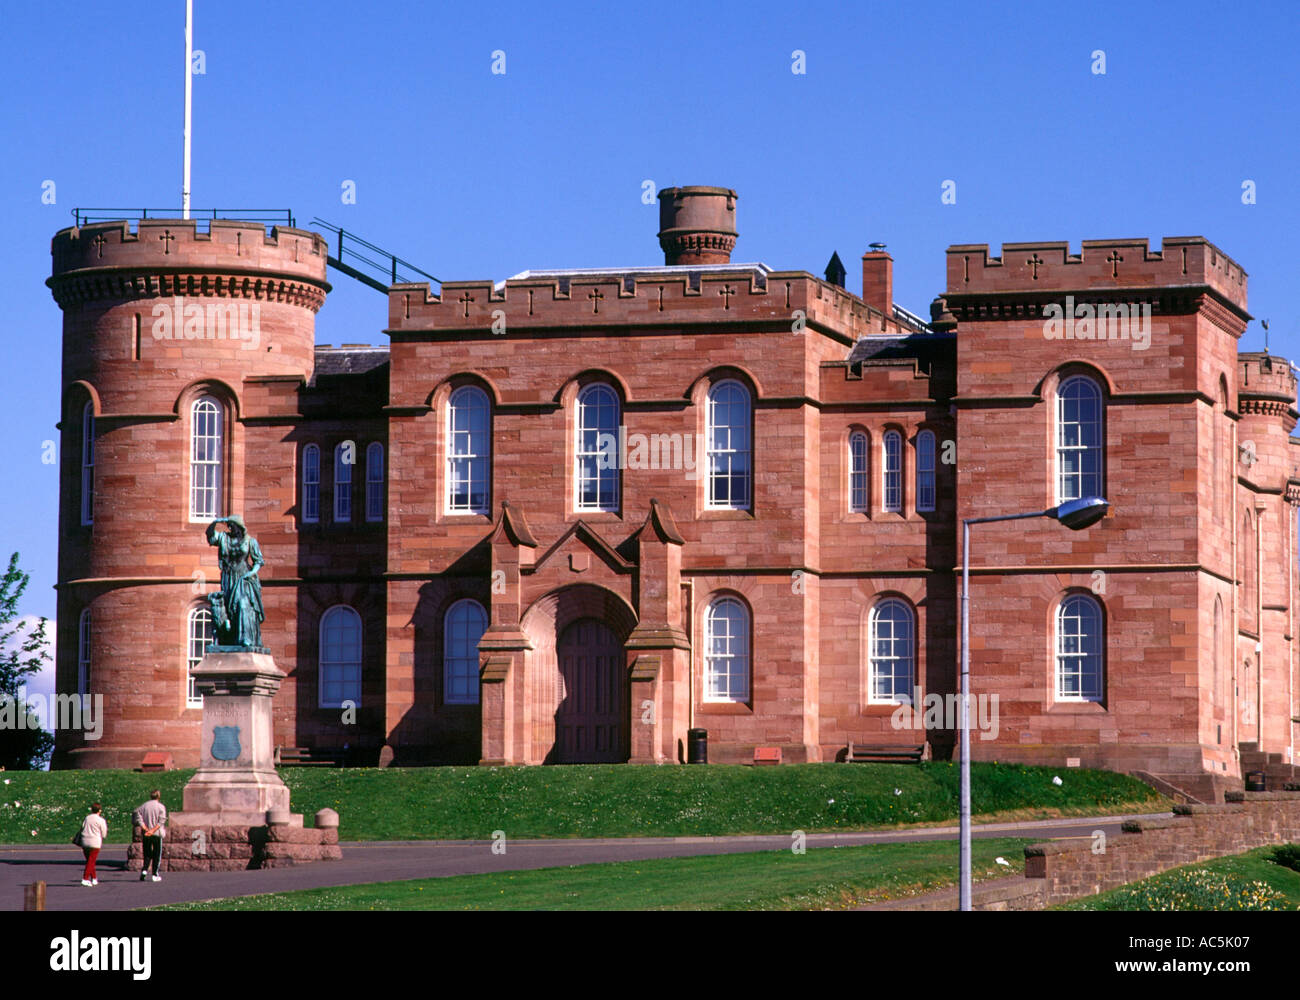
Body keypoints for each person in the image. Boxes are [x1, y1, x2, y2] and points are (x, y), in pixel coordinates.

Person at [132, 789, 168, 882]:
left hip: (146, 833)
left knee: (147, 853)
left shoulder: (144, 806)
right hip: (156, 833)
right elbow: (161, 821)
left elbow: (137, 814)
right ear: (158, 796)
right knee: (157, 854)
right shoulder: (161, 807)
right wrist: (152, 830)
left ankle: (144, 870)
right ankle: (155, 874)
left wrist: (144, 827)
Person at [79, 803, 107, 886]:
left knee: (90, 861)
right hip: (95, 842)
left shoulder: (87, 818)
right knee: (91, 861)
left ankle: (94, 878)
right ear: (100, 810)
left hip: (85, 841)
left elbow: (82, 827)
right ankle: (85, 878)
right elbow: (104, 833)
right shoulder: (101, 820)